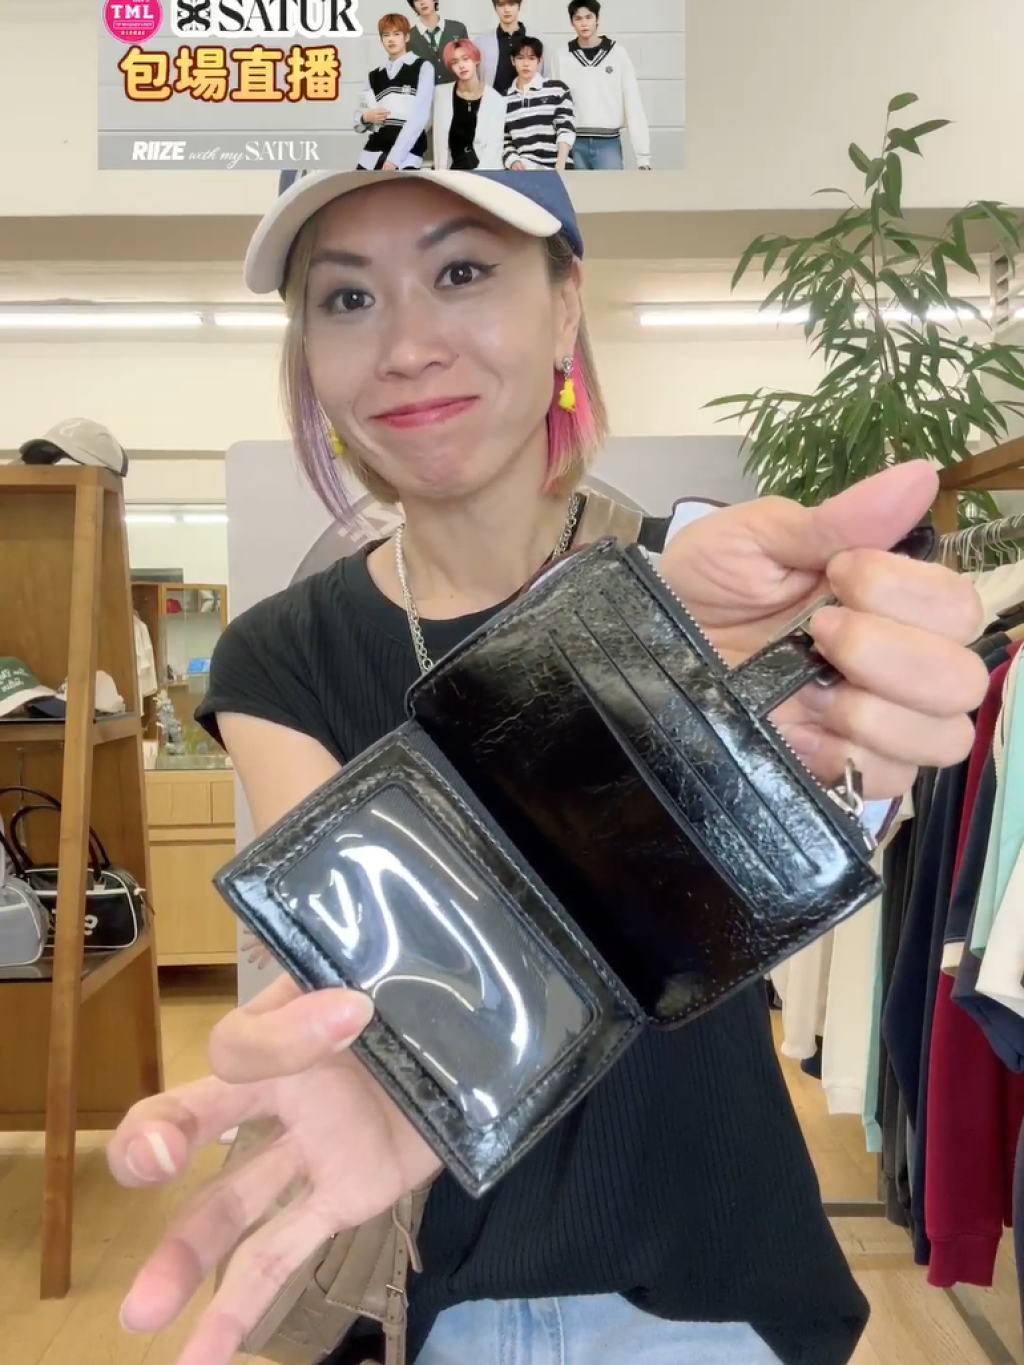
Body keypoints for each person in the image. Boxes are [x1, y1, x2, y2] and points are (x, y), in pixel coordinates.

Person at [107, 169, 987, 1365]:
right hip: (441, 1286)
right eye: (347, 298)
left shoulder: (695, 588)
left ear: (565, 305)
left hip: (713, 1277)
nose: (406, 346)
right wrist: (379, 1051)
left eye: (462, 272)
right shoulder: (284, 651)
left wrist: (852, 764)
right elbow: (380, 982)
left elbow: (806, 846)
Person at [552, 0, 651, 170]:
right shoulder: (561, 55)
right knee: (574, 188)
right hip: (573, 143)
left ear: (597, 19)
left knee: (611, 188)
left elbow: (633, 103)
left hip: (608, 143)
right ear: (571, 22)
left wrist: (643, 157)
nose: (584, 23)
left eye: (588, 17)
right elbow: (554, 106)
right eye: (578, 18)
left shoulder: (618, 54)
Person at [354, 13, 435, 171]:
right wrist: (365, 118)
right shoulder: (373, 76)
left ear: (406, 37)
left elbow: (419, 117)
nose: (391, 39)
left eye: (396, 34)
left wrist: (394, 158)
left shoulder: (422, 67)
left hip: (406, 156)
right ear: (381, 40)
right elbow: (359, 123)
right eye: (386, 35)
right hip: (372, 155)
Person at [503, 37, 576, 171]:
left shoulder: (557, 89)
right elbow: (505, 139)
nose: (526, 64)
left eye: (531, 58)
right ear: (513, 61)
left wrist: (560, 165)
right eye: (520, 58)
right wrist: (513, 161)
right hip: (525, 171)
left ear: (540, 61)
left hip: (558, 167)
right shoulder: (504, 99)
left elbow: (566, 127)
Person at [432, 40, 506, 170]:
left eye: (465, 59)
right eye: (455, 62)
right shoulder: (440, 95)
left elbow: (494, 148)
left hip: (484, 174)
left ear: (476, 60)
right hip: (449, 173)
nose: (461, 66)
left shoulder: (496, 100)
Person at [476, 0, 547, 96]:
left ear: (519, 5)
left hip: (531, 101)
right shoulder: (481, 42)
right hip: (493, 101)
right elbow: (477, 80)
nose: (506, 10)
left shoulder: (537, 38)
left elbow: (546, 74)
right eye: (501, 5)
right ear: (495, 7)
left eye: (511, 4)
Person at [406, 0, 469, 85]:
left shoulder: (458, 29)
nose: (422, 2)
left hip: (458, 89)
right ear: (413, 4)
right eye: (417, 0)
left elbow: (469, 62)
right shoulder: (409, 37)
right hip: (426, 91)